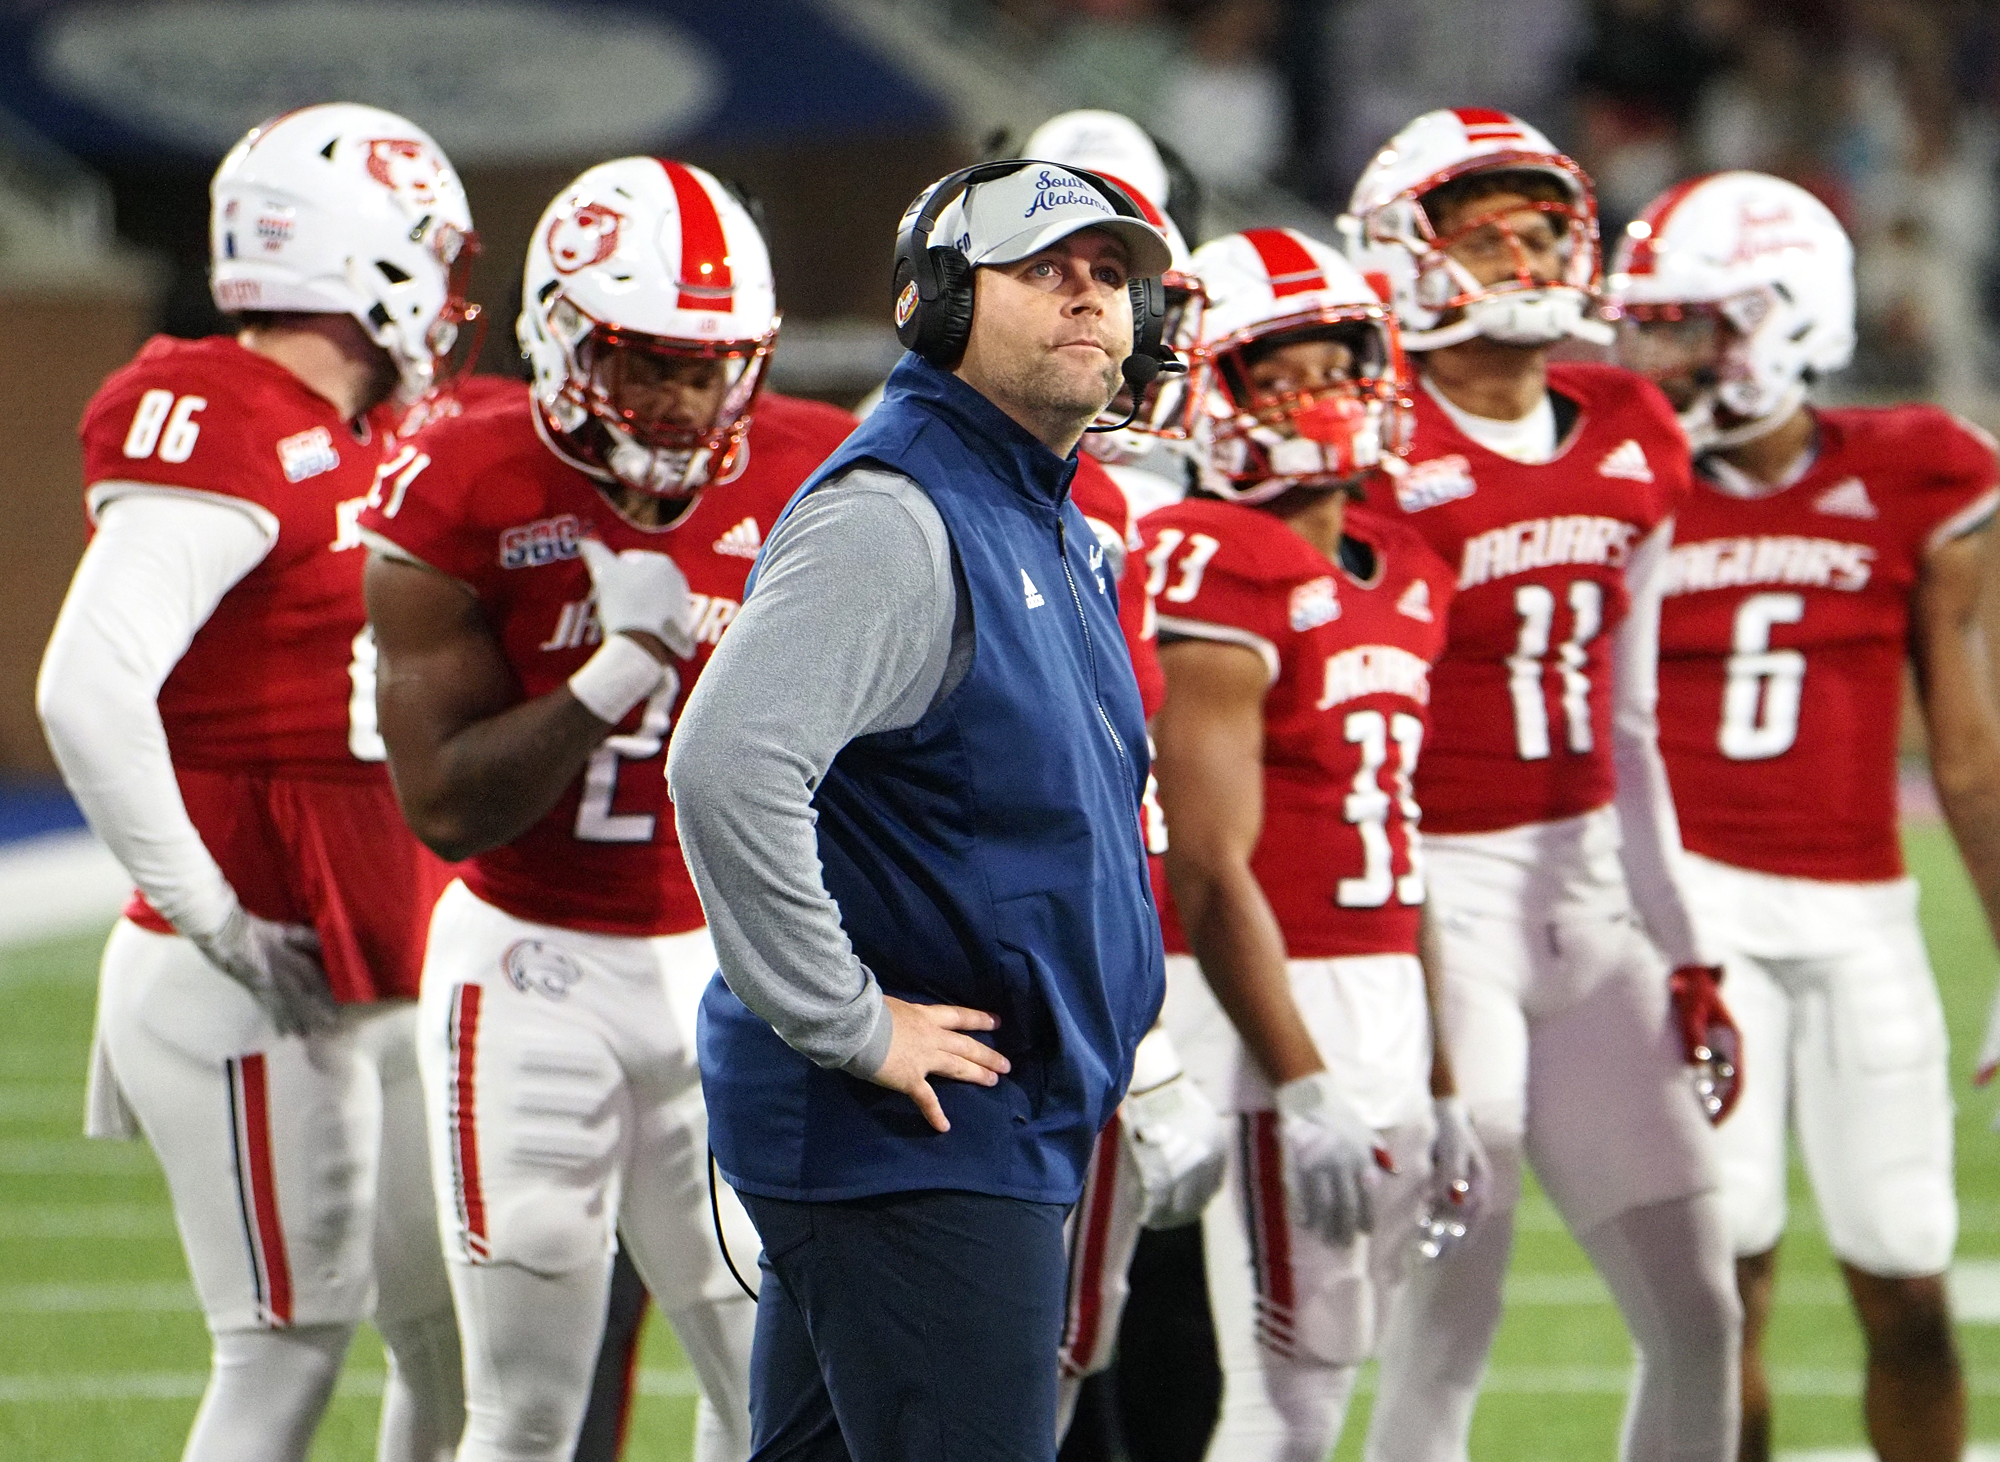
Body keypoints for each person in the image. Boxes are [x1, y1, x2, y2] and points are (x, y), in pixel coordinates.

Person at [667, 159, 1175, 1462]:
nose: (1087, 297)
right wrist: (846, 1020)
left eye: (1110, 274)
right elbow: (726, 763)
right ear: (940, 302)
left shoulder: (1043, 514)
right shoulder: (899, 515)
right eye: (1044, 268)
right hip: (915, 1131)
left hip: (972, 1123)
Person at [359, 157, 856, 1462]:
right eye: (646, 361)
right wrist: (616, 671)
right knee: (524, 1404)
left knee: (771, 1377)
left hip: (728, 960)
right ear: (565, 338)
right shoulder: (461, 480)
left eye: (710, 364)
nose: (684, 399)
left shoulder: (819, 467)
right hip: (530, 963)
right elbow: (448, 808)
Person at [37, 103, 476, 1462]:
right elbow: (85, 687)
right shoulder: (220, 414)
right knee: (282, 1349)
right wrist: (219, 917)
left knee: (453, 1339)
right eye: (430, 253)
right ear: (366, 256)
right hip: (252, 968)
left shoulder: (373, 426)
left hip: (374, 954)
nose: (451, 293)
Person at [1341, 108, 1744, 1462]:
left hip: (1588, 903)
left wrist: (1687, 946)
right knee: (1449, 1329)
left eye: (1540, 229)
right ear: (1409, 253)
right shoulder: (1370, 440)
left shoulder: (1632, 422)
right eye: (1482, 233)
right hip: (1440, 899)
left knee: (1701, 1313)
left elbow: (1629, 723)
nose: (1521, 258)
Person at [1609, 170, 2000, 1462]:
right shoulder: (1628, 476)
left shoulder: (1920, 471)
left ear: (1786, 317)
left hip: (1863, 921)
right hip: (1695, 921)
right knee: (1722, 1296)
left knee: (1907, 1276)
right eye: (1653, 323)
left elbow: (1968, 749)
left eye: (1695, 324)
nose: (1662, 354)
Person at [1145, 225, 1486, 1462]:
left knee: (1326, 1383)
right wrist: (1297, 1075)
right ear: (1210, 390)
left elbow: (1401, 832)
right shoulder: (1213, 555)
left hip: (1379, 982)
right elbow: (1203, 860)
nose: (1312, 397)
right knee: (1281, 1404)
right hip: (1264, 998)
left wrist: (1445, 1077)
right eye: (1272, 374)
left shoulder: (1402, 562)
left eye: (1331, 362)